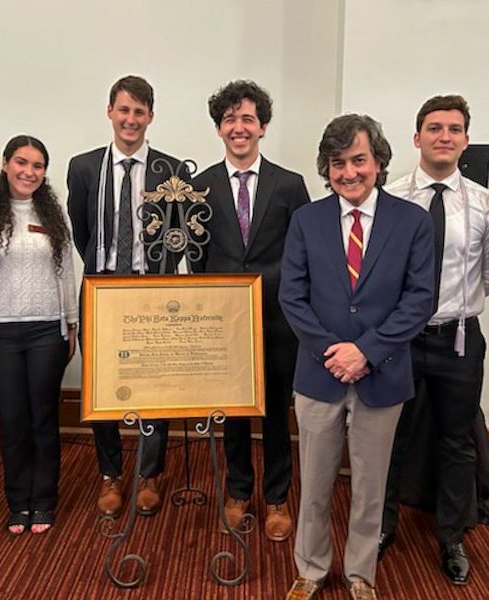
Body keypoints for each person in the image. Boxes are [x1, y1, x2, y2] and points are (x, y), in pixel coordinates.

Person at [279, 114, 435, 600]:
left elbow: (419, 299)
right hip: (320, 374)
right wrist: (335, 353)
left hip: (382, 376)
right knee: (316, 480)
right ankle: (311, 567)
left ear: (379, 161)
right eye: (338, 163)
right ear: (327, 169)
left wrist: (366, 352)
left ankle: (360, 573)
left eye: (358, 160)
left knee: (371, 484)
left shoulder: (413, 221)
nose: (349, 172)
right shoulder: (307, 219)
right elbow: (292, 296)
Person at [380, 95, 489, 584]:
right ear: (417, 138)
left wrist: (459, 305)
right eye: (434, 128)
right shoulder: (390, 198)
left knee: (458, 442)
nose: (444, 136)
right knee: (390, 434)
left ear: (465, 140)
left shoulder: (485, 204)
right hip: (400, 338)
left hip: (459, 339)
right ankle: (382, 525)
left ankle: (452, 534)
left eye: (454, 129)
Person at [192, 80, 310, 541]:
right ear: (219, 128)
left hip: (280, 322)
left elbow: (305, 256)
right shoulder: (200, 187)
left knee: (277, 414)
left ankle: (277, 497)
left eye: (247, 119)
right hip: (225, 323)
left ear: (262, 126)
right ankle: (239, 491)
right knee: (233, 415)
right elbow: (197, 258)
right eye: (229, 119)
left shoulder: (290, 185)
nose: (238, 128)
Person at [67, 75, 185, 518]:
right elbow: (82, 230)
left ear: (150, 117)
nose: (130, 119)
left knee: (154, 382)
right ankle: (110, 474)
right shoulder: (83, 167)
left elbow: (177, 237)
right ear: (110, 112)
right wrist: (105, 272)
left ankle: (150, 473)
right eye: (124, 110)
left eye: (139, 112)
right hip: (101, 288)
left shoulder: (171, 170)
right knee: (101, 386)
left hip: (153, 292)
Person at [0, 135, 77, 535]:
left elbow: (65, 269)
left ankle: (44, 501)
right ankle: (18, 503)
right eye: (21, 162)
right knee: (12, 422)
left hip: (48, 330)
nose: (29, 172)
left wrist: (71, 322)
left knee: (44, 419)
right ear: (6, 164)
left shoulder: (53, 213)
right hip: (1, 335)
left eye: (38, 166)